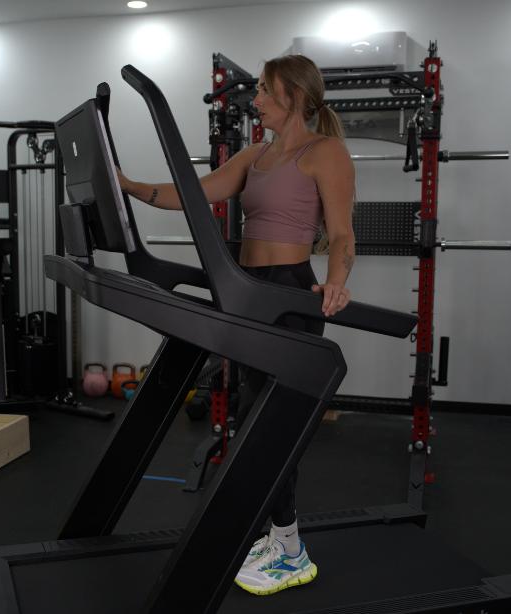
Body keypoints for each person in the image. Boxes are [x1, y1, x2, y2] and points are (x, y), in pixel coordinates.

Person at [118, 54, 356, 596]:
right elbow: (192, 194)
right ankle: (278, 534)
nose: (257, 101)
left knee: (270, 423)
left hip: (289, 292)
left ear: (294, 96)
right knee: (254, 423)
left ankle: (291, 549)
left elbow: (342, 234)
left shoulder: (326, 153)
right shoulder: (255, 155)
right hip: (247, 292)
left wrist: (338, 280)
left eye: (267, 92)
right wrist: (128, 185)